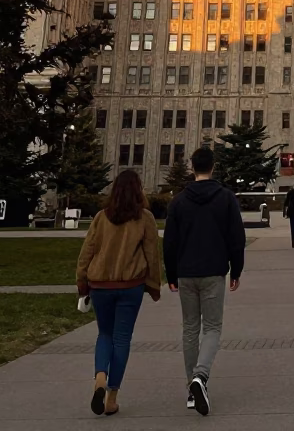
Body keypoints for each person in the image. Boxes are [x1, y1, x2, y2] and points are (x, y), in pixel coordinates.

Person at [163, 146, 245, 416]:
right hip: (213, 272)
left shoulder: (178, 201)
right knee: (212, 328)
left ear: (192, 167)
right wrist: (236, 270)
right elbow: (237, 238)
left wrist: (171, 274)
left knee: (190, 328)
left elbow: (170, 242)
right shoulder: (226, 198)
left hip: (186, 273)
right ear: (213, 166)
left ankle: (192, 388)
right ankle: (201, 375)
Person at [76, 169, 161, 417]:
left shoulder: (101, 217)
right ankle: (111, 396)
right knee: (122, 339)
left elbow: (87, 252)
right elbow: (152, 254)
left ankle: (100, 377)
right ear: (138, 191)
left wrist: (82, 283)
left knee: (104, 334)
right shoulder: (145, 218)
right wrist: (154, 285)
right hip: (130, 286)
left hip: (100, 285)